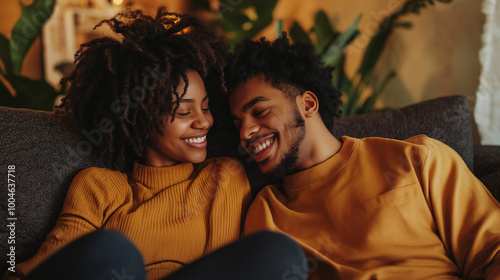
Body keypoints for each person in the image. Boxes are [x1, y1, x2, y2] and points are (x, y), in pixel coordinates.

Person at [3, 9, 306, 280]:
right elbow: (50, 265)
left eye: (206, 107)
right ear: (141, 120)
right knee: (114, 251)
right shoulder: (98, 187)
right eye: (184, 112)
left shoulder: (224, 175)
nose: (204, 122)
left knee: (278, 252)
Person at [227, 33, 500, 279]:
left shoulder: (417, 159)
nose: (246, 134)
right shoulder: (265, 212)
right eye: (238, 124)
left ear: (308, 103)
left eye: (260, 112)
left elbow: (493, 251)